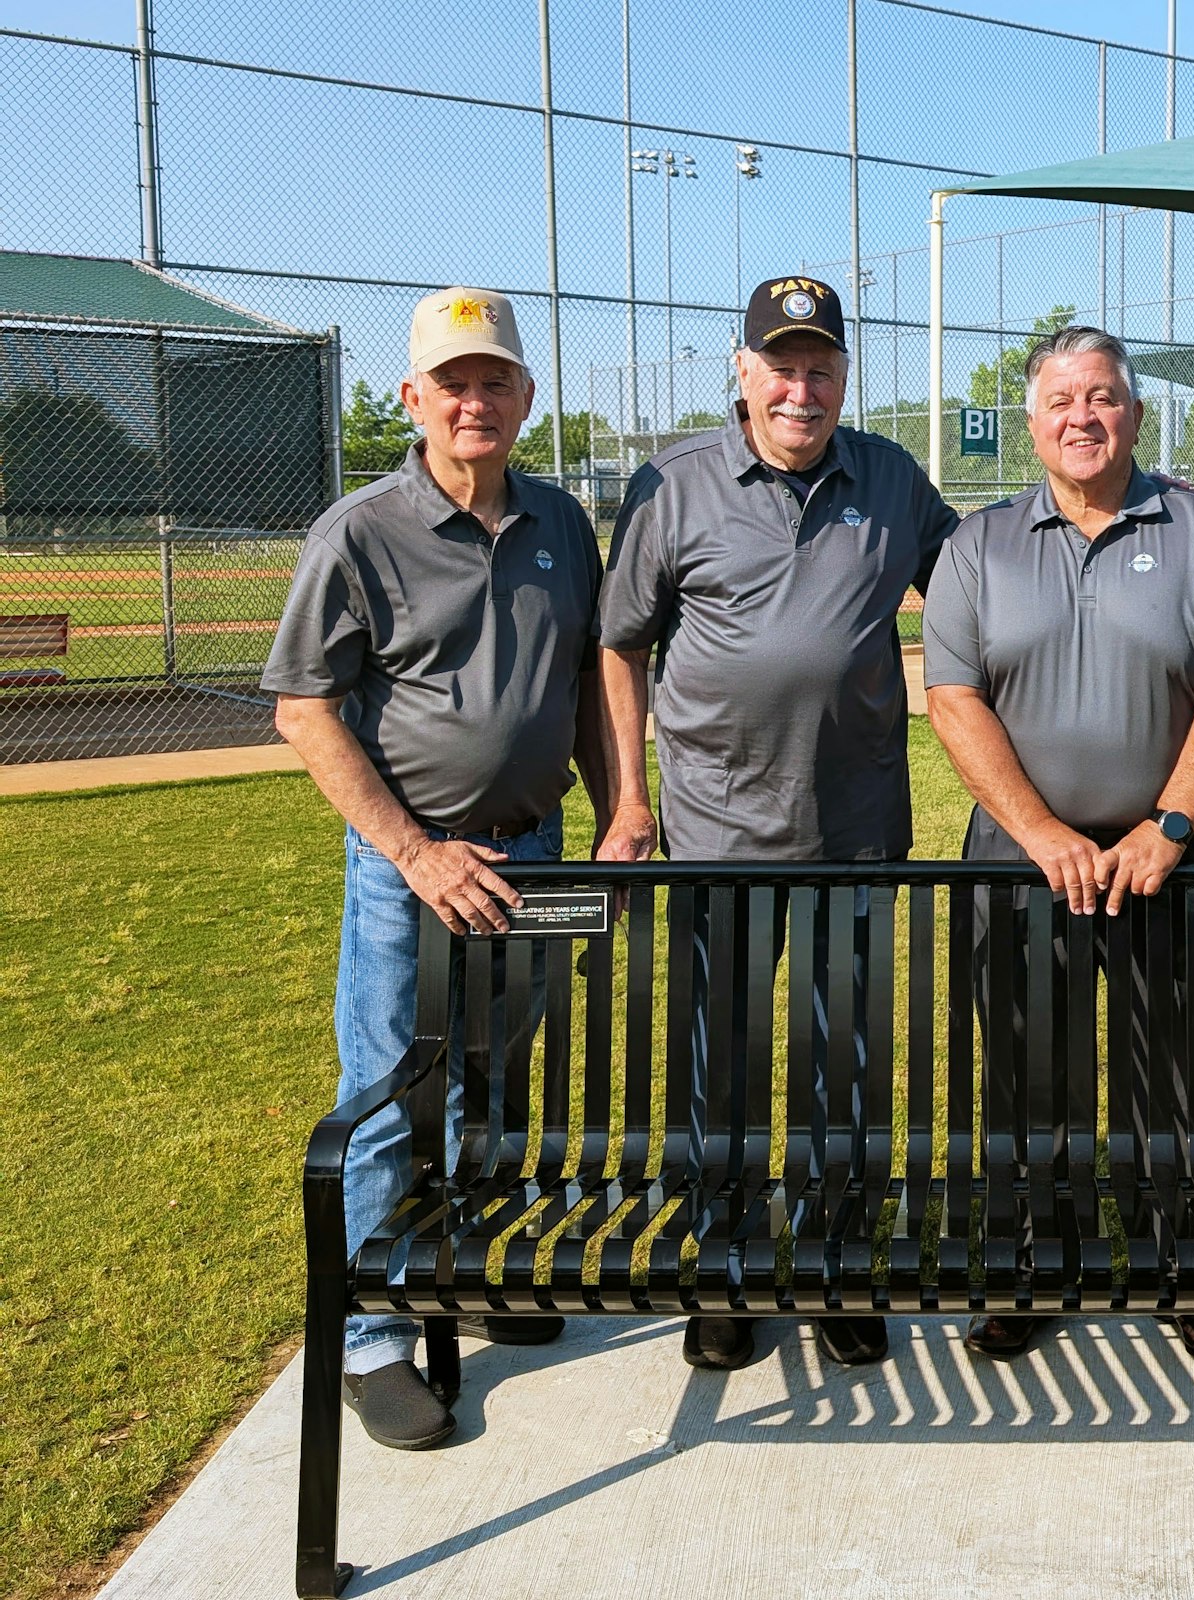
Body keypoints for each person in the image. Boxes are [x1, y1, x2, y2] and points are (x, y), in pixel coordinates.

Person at [264, 287, 610, 1449]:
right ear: (411, 396)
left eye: (494, 378)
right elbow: (305, 708)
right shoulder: (358, 530)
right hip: (413, 863)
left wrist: (623, 811)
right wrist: (411, 851)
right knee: (385, 1088)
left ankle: (465, 1270)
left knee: (497, 1076)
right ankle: (367, 1336)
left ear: (526, 394)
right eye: (451, 381)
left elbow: (586, 691)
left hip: (536, 848)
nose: (474, 399)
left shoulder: (562, 520)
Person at [594, 275, 958, 1373]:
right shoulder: (675, 483)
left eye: (820, 367)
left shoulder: (890, 478)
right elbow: (619, 641)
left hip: (851, 829)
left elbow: (981, 583)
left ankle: (836, 1263)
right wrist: (627, 799)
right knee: (722, 1063)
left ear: (845, 375)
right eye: (780, 365)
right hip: (716, 833)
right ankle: (727, 1264)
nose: (800, 388)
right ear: (742, 371)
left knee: (842, 1062)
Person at [922, 324, 1194, 1364]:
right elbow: (951, 697)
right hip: (1022, 863)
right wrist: (1039, 833)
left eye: (1104, 396)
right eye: (1062, 400)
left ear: (1134, 413)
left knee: (1181, 1071)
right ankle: (1029, 1265)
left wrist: (1168, 826)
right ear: (1030, 423)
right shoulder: (976, 545)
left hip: (1174, 855)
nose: (1084, 416)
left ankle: (1187, 1268)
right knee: (1030, 1074)